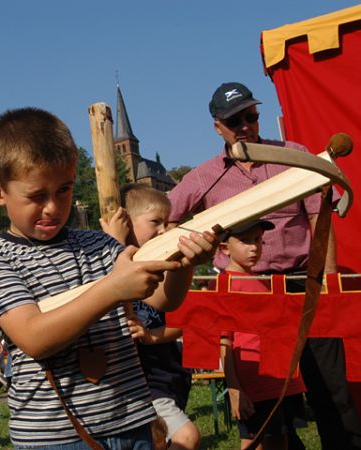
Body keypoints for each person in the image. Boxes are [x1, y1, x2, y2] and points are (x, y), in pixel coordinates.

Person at [0, 107, 217, 448]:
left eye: (64, 189)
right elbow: (33, 337)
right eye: (37, 195)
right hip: (55, 436)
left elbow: (163, 300)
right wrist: (113, 288)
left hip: (132, 418)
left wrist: (185, 261)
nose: (53, 207)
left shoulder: (100, 244)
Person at [168, 81, 361, 449]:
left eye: (250, 115)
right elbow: (166, 216)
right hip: (248, 297)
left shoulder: (295, 156)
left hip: (303, 284)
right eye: (234, 120)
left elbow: (322, 219)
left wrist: (329, 282)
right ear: (217, 127)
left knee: (331, 390)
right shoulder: (205, 177)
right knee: (268, 402)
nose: (245, 125)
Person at [101, 183, 201, 450]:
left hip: (169, 372)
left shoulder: (163, 266)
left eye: (167, 222)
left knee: (160, 441)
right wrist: (114, 245)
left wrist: (150, 336)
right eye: (156, 221)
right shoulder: (110, 263)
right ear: (125, 223)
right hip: (141, 378)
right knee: (185, 437)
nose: (164, 229)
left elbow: (177, 313)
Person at [218, 219, 307, 450]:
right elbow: (224, 340)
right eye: (245, 241)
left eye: (257, 239)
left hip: (280, 382)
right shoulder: (226, 283)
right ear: (224, 248)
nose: (254, 247)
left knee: (283, 442)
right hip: (256, 387)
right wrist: (235, 389)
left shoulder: (261, 282)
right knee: (256, 443)